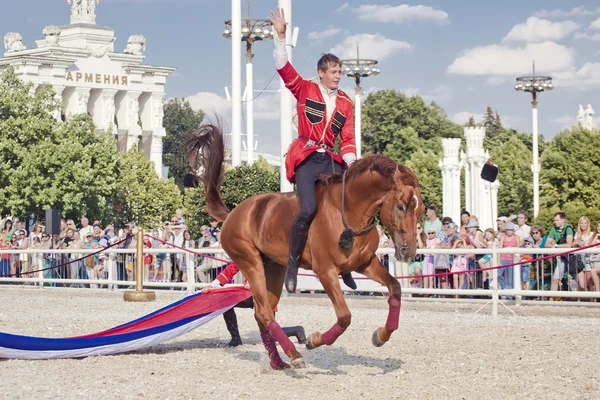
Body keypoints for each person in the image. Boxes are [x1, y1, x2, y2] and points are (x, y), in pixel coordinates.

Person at [269, 8, 358, 293]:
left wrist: (352, 164)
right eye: (333, 72)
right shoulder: (304, 88)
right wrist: (280, 37)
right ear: (321, 73)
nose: (338, 76)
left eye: (340, 72)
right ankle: (292, 264)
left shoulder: (346, 102)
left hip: (331, 159)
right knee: (308, 208)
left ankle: (346, 264)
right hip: (306, 156)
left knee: (350, 205)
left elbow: (347, 138)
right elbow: (283, 69)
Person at [201, 262, 306, 347]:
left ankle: (297, 330)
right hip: (249, 294)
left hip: (266, 296)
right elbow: (230, 269)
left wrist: (254, 283)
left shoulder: (266, 254)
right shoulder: (246, 253)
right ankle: (235, 339)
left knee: (271, 335)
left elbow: (272, 274)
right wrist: (212, 285)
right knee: (226, 303)